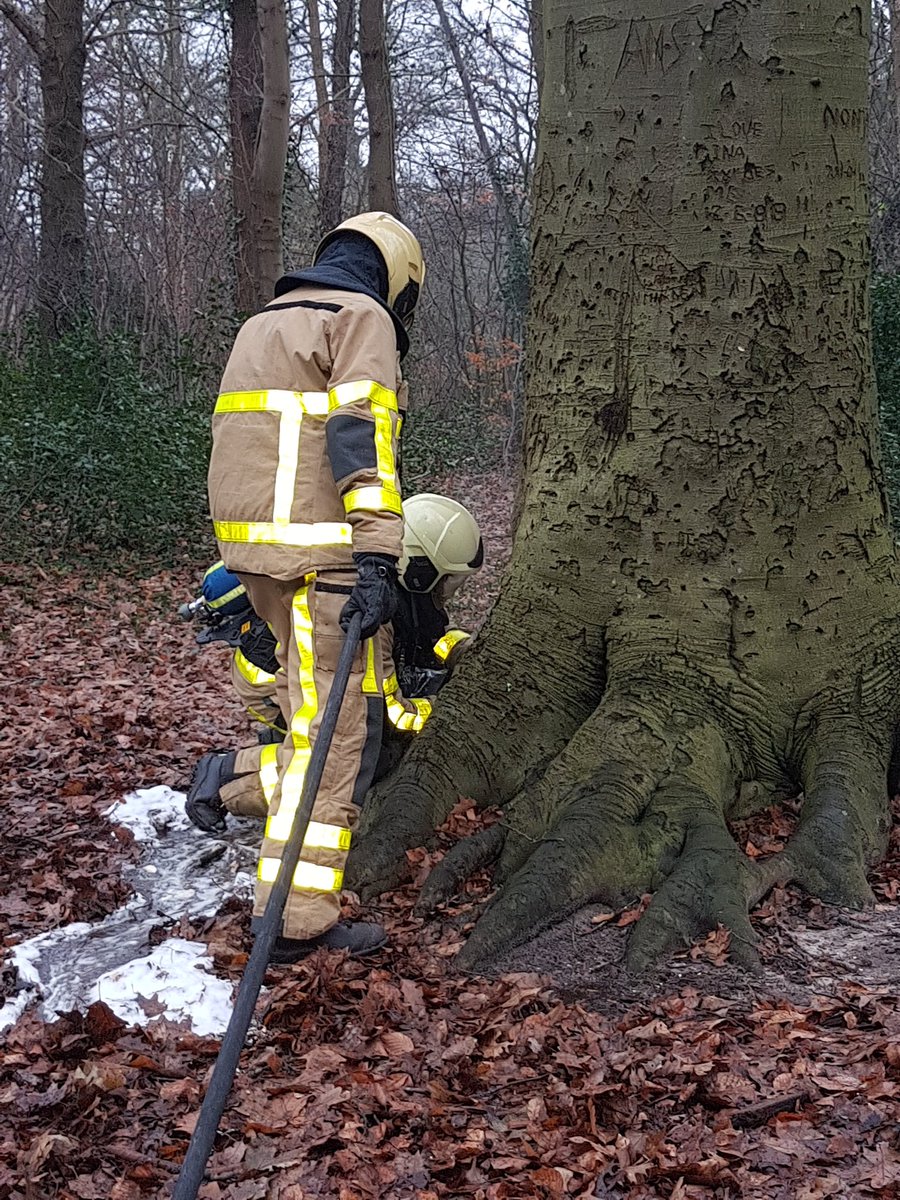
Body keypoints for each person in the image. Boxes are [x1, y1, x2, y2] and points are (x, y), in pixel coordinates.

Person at [206, 211, 435, 962]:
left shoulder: (262, 323)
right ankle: (298, 919)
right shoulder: (360, 317)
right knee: (330, 738)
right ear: (394, 278)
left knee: (300, 715)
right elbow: (359, 433)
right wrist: (376, 556)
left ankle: (261, 847)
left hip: (254, 555)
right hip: (325, 558)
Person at [185, 494, 483, 835]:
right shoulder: (374, 614)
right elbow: (391, 713)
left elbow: (429, 640)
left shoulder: (391, 587)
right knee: (344, 761)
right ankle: (224, 784)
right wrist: (439, 708)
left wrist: (464, 650)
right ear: (419, 570)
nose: (452, 591)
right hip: (273, 681)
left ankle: (249, 758)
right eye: (449, 580)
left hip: (302, 672)